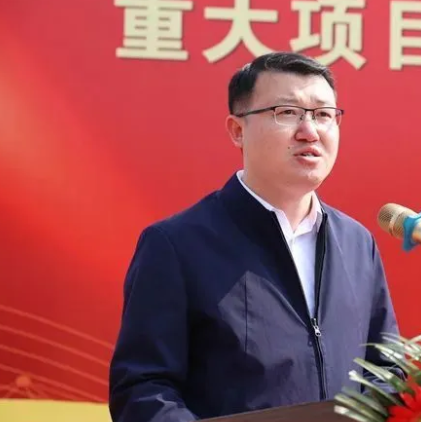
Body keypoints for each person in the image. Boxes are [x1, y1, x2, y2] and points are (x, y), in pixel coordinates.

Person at [108, 52, 401, 422]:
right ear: (237, 130)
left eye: (324, 114)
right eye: (287, 112)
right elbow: (143, 390)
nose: (309, 131)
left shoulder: (358, 243)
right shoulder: (175, 245)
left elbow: (386, 370)